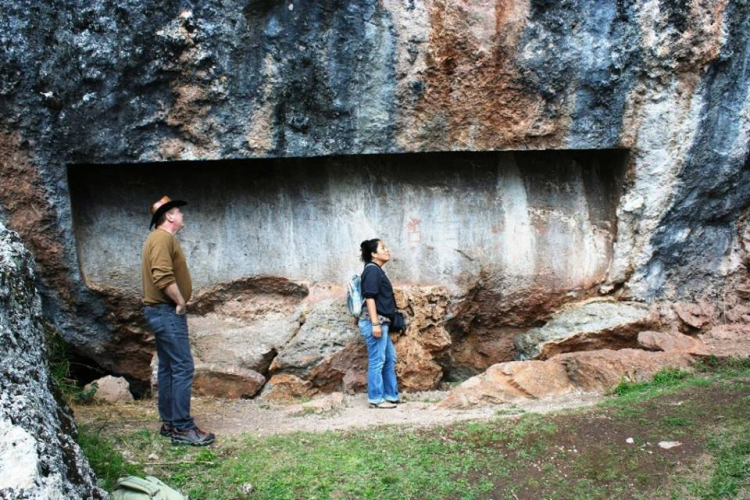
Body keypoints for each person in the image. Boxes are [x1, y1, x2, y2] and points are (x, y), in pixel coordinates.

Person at [141, 195, 215, 446]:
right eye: (178, 212)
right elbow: (162, 276)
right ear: (169, 216)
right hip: (166, 310)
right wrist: (180, 301)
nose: (182, 215)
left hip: (159, 311)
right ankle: (183, 428)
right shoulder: (162, 238)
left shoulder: (157, 239)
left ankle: (171, 422)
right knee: (183, 367)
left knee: (169, 367)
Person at [358, 238, 401, 409]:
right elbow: (369, 297)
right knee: (377, 360)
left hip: (382, 322)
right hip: (374, 322)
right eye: (383, 248)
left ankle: (391, 395)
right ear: (374, 254)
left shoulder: (377, 270)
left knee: (390, 358)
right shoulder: (372, 271)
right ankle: (376, 399)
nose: (387, 250)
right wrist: (375, 323)